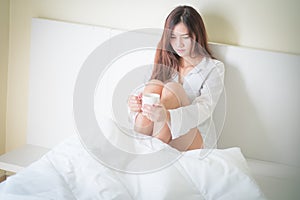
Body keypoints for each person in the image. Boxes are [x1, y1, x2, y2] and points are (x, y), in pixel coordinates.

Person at [128, 5, 225, 151]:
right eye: (173, 37)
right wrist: (134, 104)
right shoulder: (164, 60)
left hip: (194, 135)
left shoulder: (214, 67)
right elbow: (144, 102)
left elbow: (204, 109)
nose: (178, 44)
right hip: (157, 131)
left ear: (197, 36)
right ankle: (141, 150)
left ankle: (151, 154)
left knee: (172, 88)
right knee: (154, 85)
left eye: (185, 37)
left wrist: (166, 115)